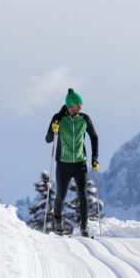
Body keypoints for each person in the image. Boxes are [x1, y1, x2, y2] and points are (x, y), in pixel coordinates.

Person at [46, 88, 99, 237]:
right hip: (63, 163)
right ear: (70, 106)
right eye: (78, 105)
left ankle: (84, 226)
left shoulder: (84, 118)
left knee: (83, 194)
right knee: (61, 195)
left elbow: (94, 137)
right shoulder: (58, 118)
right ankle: (57, 220)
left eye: (81, 104)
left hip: (80, 163)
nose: (80, 107)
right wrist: (53, 129)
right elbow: (48, 139)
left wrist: (95, 158)